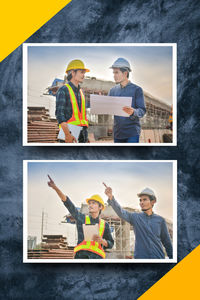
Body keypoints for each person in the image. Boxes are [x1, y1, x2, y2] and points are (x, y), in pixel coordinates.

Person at [47, 175, 114, 259]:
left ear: (100, 207)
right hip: (81, 257)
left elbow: (111, 243)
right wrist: (55, 188)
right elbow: (68, 204)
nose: (90, 205)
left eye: (93, 203)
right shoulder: (81, 218)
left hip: (96, 258)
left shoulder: (105, 225)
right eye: (89, 203)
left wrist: (103, 241)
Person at [104, 183, 173, 259]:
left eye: (144, 200)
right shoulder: (135, 217)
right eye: (140, 200)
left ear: (153, 201)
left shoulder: (160, 221)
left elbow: (167, 243)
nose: (141, 203)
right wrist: (111, 197)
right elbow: (121, 212)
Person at [109, 58, 146, 143]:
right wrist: (102, 101)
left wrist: (134, 112)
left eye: (116, 72)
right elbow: (109, 108)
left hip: (132, 133)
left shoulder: (137, 90)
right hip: (118, 133)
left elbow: (142, 110)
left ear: (125, 73)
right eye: (113, 73)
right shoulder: (112, 91)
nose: (114, 75)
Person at [56, 59, 89, 143]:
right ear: (73, 73)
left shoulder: (81, 92)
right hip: (70, 133)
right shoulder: (63, 90)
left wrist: (85, 136)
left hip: (82, 133)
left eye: (84, 73)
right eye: (81, 72)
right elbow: (59, 115)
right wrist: (67, 135)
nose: (83, 75)